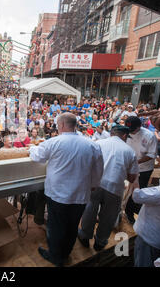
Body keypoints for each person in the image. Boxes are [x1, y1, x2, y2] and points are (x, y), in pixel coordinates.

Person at [29, 113, 104, 267]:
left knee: (56, 226)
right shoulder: (91, 144)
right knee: (72, 226)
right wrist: (94, 184)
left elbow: (38, 157)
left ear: (62, 125)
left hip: (58, 195)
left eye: (57, 124)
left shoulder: (54, 142)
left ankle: (56, 257)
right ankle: (66, 252)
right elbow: (98, 169)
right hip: (80, 195)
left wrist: (31, 148)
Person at [78, 126, 139, 251]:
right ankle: (100, 242)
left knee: (89, 209)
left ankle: (84, 236)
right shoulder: (129, 151)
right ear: (124, 136)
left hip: (95, 183)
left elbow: (86, 163)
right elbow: (132, 178)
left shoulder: (98, 143)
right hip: (115, 187)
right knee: (108, 216)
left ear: (111, 133)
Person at [124, 116, 158, 224]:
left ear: (139, 126)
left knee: (137, 191)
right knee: (124, 189)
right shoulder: (124, 132)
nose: (130, 132)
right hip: (127, 166)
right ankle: (122, 209)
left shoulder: (149, 136)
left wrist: (135, 162)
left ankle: (131, 212)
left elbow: (152, 154)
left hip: (144, 168)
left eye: (132, 130)